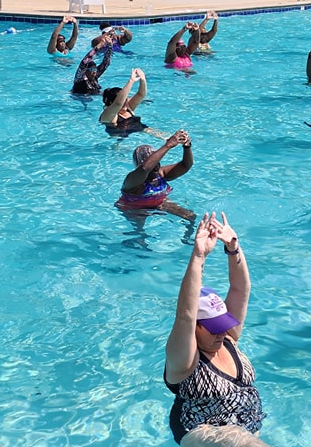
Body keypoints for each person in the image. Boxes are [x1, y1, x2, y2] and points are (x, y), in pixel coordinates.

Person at [164, 212, 264, 445]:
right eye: (213, 328)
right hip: (200, 430)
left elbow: (240, 289)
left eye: (223, 324)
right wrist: (199, 256)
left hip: (243, 430)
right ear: (196, 328)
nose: (221, 332)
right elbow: (185, 316)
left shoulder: (228, 337)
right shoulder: (184, 362)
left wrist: (233, 248)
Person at [119, 131, 193, 213]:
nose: (157, 163)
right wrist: (168, 145)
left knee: (190, 215)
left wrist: (187, 146)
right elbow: (145, 168)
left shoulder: (161, 173)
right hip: (134, 207)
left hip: (159, 202)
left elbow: (185, 165)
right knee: (139, 224)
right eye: (154, 160)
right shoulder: (132, 181)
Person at [100, 68, 149, 136]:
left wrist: (143, 79)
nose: (125, 103)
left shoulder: (128, 107)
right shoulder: (108, 115)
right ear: (111, 103)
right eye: (123, 100)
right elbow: (118, 103)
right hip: (118, 142)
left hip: (140, 132)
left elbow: (141, 95)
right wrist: (131, 81)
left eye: (126, 100)